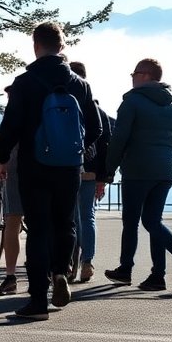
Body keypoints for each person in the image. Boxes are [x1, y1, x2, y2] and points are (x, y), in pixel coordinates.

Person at [0, 22, 100, 320]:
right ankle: (59, 272)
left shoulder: (24, 82)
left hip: (34, 165)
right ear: (62, 46)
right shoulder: (80, 84)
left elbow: (12, 126)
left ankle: (38, 302)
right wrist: (78, 150)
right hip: (68, 168)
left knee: (38, 229)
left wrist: (3, 159)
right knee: (65, 223)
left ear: (35, 45)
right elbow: (96, 128)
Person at [103, 58, 172, 292]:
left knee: (133, 221)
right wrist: (168, 151)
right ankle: (158, 276)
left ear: (146, 75)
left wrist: (108, 168)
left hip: (138, 169)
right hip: (165, 171)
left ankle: (128, 269)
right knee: (153, 221)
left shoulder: (132, 101)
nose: (132, 77)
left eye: (134, 73)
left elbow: (119, 138)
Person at [68, 60, 114, 283]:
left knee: (68, 218)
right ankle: (88, 261)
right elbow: (106, 144)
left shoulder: (62, 103)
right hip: (90, 171)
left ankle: (69, 263)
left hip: (64, 167)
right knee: (87, 216)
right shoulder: (98, 111)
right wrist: (103, 177)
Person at [0, 105, 25, 297]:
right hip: (45, 169)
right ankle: (48, 273)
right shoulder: (47, 106)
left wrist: (0, 163)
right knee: (43, 224)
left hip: (14, 170)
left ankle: (11, 277)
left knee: (12, 223)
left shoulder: (13, 115)